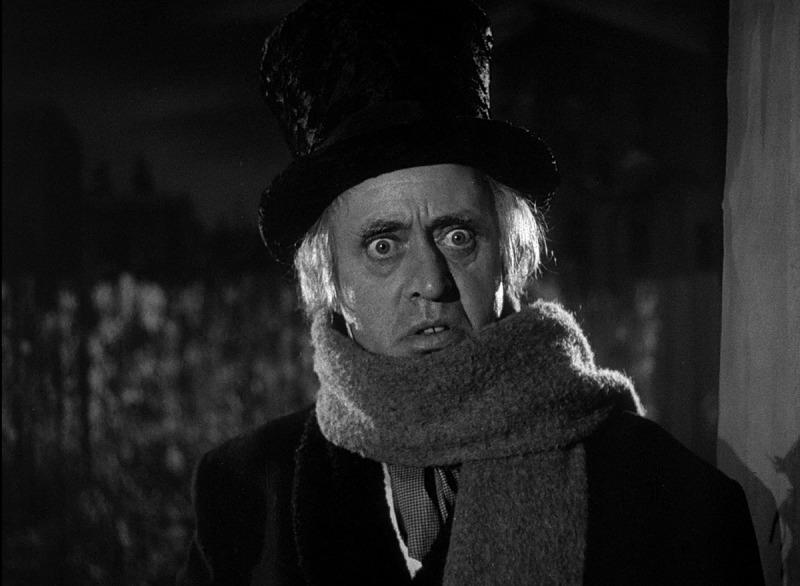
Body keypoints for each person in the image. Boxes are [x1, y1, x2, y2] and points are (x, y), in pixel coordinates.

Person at [179, 0, 764, 584]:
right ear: (330, 279)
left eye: (458, 236)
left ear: (510, 254)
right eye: (383, 246)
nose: (431, 282)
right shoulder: (243, 496)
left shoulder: (667, 497)